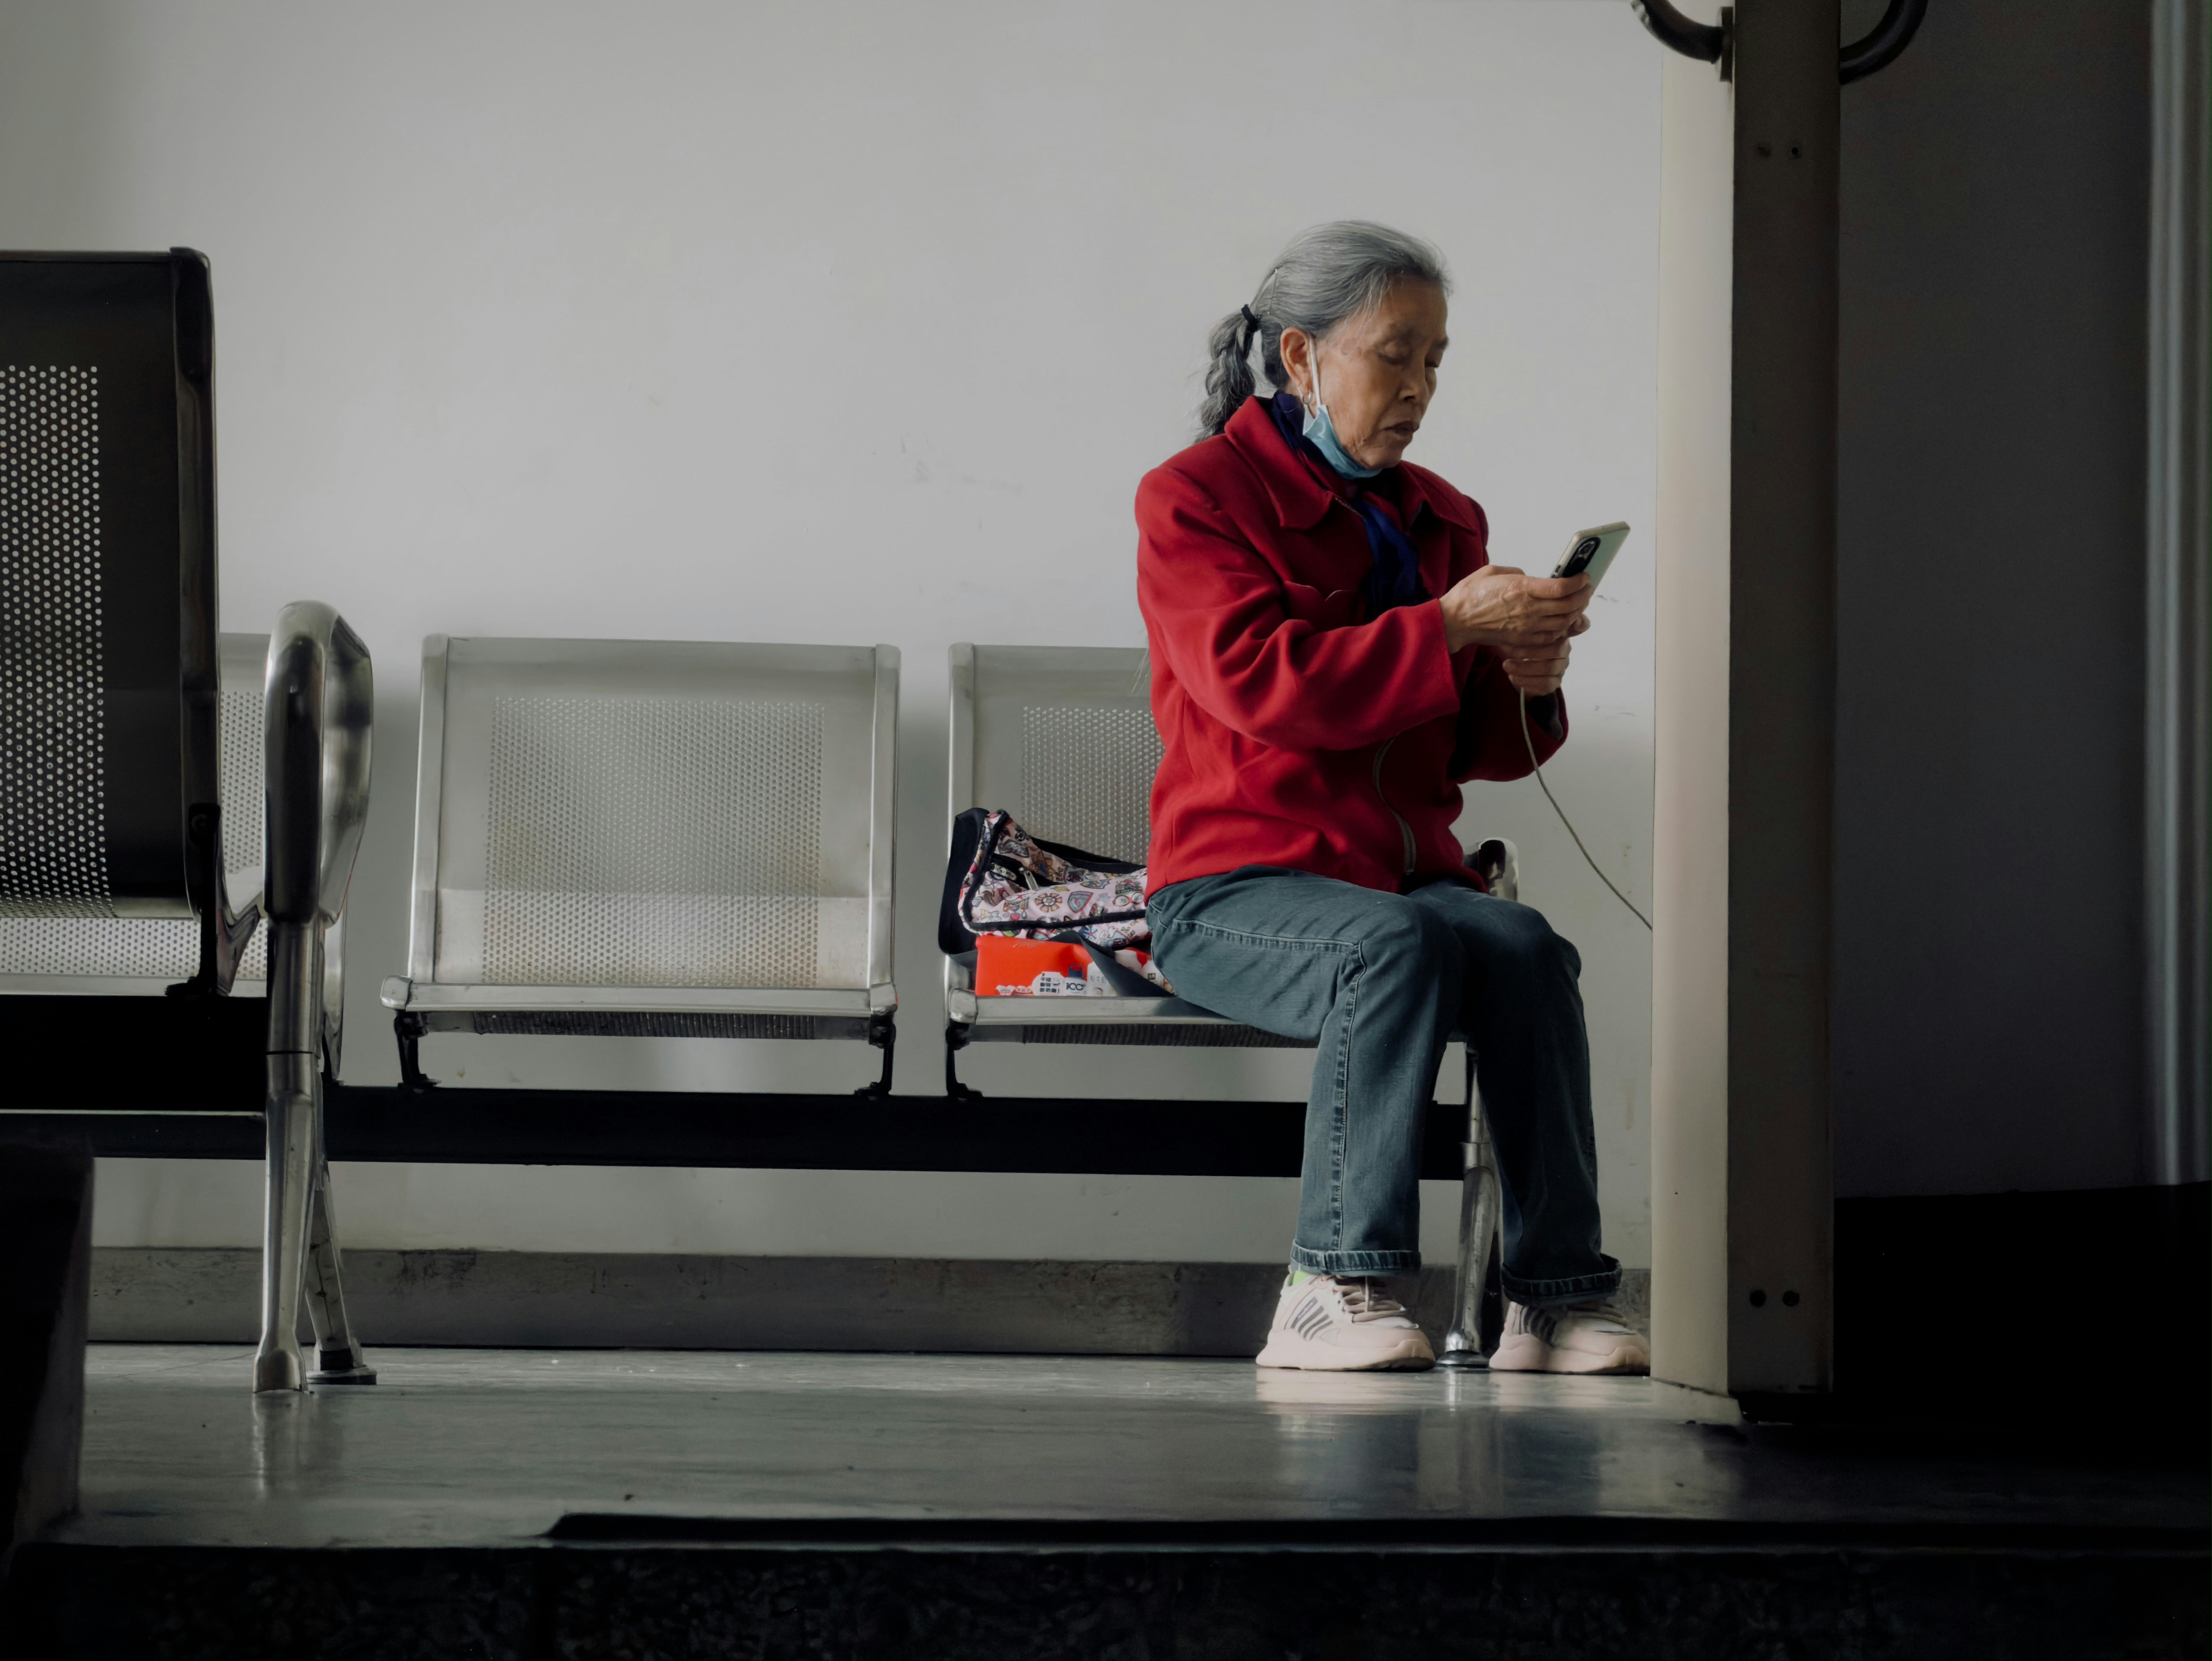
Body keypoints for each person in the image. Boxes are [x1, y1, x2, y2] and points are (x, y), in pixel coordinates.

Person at [1135, 221, 1649, 1375]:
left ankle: (1556, 1300)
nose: (1419, 388)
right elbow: (1264, 688)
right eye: (1395, 355)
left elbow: (1473, 751)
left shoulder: (1443, 515)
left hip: (1400, 884)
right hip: (1231, 892)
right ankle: (1335, 1285)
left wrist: (1531, 680)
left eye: (1436, 362)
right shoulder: (1193, 502)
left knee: (1521, 946)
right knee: (1397, 943)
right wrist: (1452, 626)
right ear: (1302, 358)